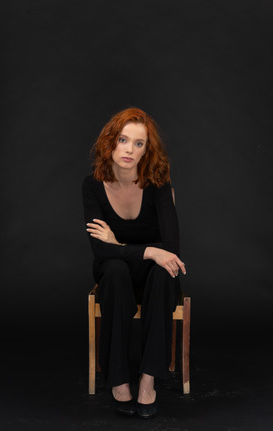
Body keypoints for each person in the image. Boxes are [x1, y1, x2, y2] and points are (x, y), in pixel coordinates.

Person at [82, 107, 186, 419]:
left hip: (155, 278)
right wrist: (148, 250)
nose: (129, 149)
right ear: (109, 143)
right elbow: (101, 251)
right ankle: (118, 378)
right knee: (113, 270)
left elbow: (170, 249)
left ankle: (148, 378)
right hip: (116, 276)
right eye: (123, 140)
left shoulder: (158, 184)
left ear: (146, 150)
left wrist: (121, 245)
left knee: (163, 271)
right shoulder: (92, 186)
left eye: (138, 144)